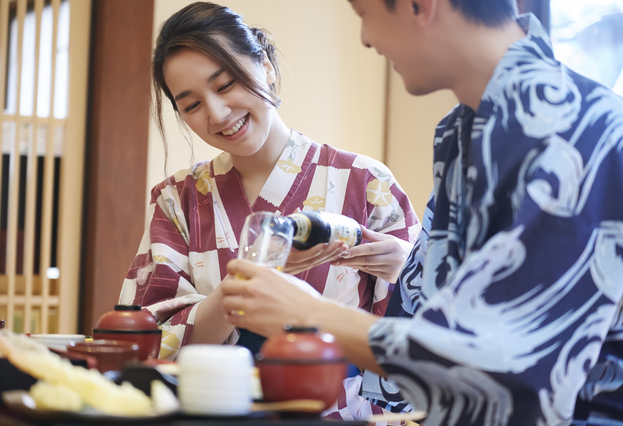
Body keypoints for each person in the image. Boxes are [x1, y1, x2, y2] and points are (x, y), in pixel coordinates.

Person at [220, 0, 623, 424]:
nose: (366, 39)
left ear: (419, 6)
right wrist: (380, 258)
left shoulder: (580, 130)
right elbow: (436, 318)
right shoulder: (460, 132)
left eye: (365, 14)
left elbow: (505, 365)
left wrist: (307, 312)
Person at [117, 1, 420, 421]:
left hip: (338, 414)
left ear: (265, 65)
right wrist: (235, 292)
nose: (217, 114)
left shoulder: (366, 183)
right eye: (191, 105)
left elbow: (433, 337)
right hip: (210, 412)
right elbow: (143, 338)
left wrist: (403, 269)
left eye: (225, 86)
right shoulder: (177, 200)